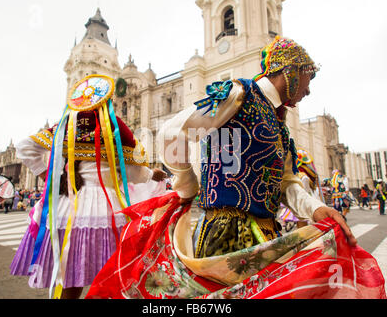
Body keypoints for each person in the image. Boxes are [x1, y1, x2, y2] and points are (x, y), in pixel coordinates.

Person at [84, 37, 386, 300]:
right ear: (289, 70)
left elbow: (287, 184)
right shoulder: (237, 94)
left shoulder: (280, 128)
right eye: (309, 78)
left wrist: (317, 210)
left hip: (267, 235)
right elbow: (172, 132)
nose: (308, 90)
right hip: (224, 232)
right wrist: (187, 185)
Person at [10, 74, 167, 299]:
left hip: (67, 207)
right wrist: (153, 174)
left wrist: (51, 177)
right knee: (110, 279)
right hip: (105, 210)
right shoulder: (115, 128)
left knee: (70, 279)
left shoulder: (68, 125)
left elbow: (25, 147)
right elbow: (133, 172)